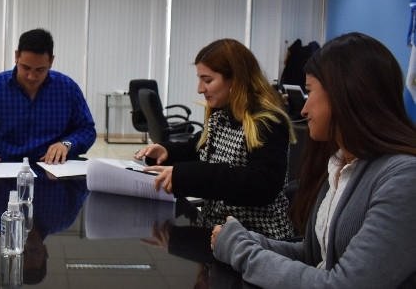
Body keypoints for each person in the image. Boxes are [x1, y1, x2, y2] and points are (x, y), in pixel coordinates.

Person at [210, 32, 416, 287]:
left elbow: (343, 284)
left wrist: (240, 250)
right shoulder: (340, 164)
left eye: (309, 92)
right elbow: (313, 256)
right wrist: (248, 240)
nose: (304, 110)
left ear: (346, 93)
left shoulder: (405, 179)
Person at [135, 38, 296, 240]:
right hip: (217, 232)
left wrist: (187, 176)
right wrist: (168, 151)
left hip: (257, 239)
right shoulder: (220, 115)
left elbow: (261, 184)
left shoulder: (267, 122)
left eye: (207, 80)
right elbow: (199, 148)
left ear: (235, 79)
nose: (200, 88)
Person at [0, 28, 96, 166]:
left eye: (40, 70)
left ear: (51, 61)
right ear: (16, 57)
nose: (31, 76)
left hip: (53, 171)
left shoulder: (67, 88)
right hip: (3, 173)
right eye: (26, 67)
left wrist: (67, 144)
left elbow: (87, 130)